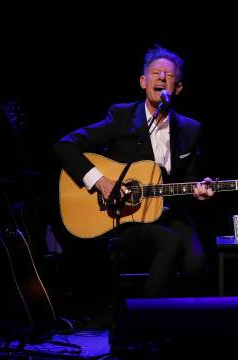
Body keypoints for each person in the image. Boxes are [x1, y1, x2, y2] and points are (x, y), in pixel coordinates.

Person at [53, 45, 214, 297]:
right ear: (143, 81)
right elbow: (65, 146)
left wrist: (199, 191)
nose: (162, 78)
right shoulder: (122, 117)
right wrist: (100, 181)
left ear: (178, 88)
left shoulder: (191, 130)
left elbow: (191, 180)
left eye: (169, 76)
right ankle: (145, 324)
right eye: (155, 73)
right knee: (170, 242)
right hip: (125, 218)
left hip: (171, 214)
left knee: (196, 261)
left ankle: (178, 330)